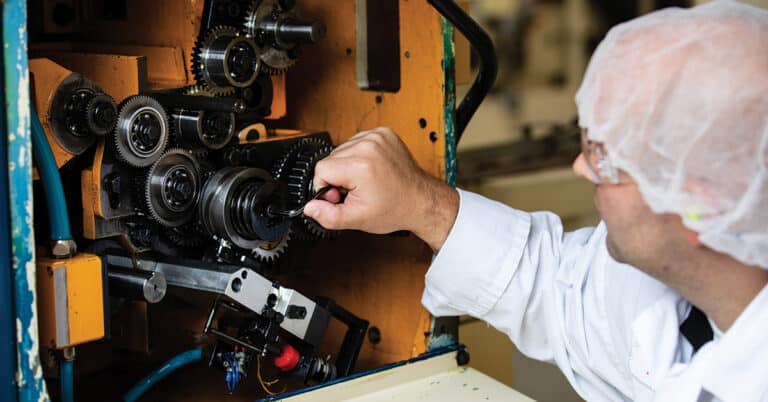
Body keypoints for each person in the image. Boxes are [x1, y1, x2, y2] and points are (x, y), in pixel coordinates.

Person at [303, 1, 768, 401]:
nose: (580, 168)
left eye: (606, 159)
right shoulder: (688, 294)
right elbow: (560, 292)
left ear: (701, 209)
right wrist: (421, 203)